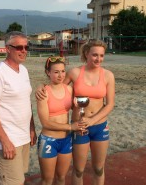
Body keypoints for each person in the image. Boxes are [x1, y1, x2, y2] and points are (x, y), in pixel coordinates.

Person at [36, 39, 115, 185]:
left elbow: (110, 105)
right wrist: (41, 85)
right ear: (86, 54)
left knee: (98, 168)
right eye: (94, 55)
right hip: (79, 127)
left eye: (101, 55)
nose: (98, 59)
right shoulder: (74, 72)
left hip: (99, 126)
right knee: (78, 170)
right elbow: (58, 88)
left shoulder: (108, 75)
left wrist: (92, 120)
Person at [0, 31, 37, 185]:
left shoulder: (23, 70)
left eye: (27, 47)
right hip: (7, 140)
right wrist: (5, 142)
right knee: (13, 182)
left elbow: (26, 101)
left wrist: (31, 128)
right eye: (19, 47)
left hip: (23, 137)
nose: (24, 50)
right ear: (8, 48)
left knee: (20, 178)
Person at [37, 56, 83, 185]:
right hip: (49, 140)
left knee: (61, 177)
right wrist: (71, 127)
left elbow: (76, 112)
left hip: (66, 140)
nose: (60, 75)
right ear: (48, 72)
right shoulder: (43, 92)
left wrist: (78, 108)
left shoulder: (69, 89)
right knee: (47, 180)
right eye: (56, 72)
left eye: (63, 71)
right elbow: (45, 122)